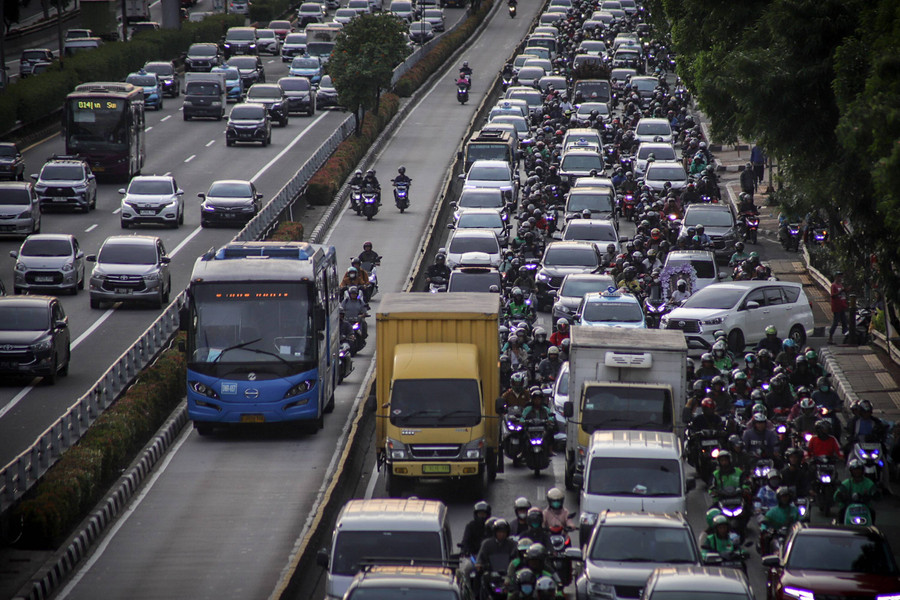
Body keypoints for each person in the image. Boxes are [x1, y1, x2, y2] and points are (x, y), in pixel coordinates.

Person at [834, 459, 881, 523]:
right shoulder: (846, 483)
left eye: (859, 470)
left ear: (862, 471)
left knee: (872, 513)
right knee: (842, 512)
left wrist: (875, 494)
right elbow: (836, 496)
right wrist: (840, 496)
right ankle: (842, 527)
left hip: (865, 507)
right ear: (851, 471)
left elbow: (875, 492)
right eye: (855, 470)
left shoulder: (868, 483)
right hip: (848, 506)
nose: (857, 472)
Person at [760, 487, 800, 553]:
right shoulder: (772, 512)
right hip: (777, 536)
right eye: (783, 496)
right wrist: (764, 530)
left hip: (792, 536)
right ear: (779, 498)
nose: (785, 498)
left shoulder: (795, 510)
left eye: (786, 496)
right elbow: (765, 523)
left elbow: (800, 522)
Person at [828, 271, 849, 344]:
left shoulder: (840, 285)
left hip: (842, 306)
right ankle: (830, 338)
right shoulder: (834, 285)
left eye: (841, 276)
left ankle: (847, 337)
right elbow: (833, 295)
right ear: (836, 277)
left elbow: (843, 294)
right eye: (839, 276)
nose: (840, 278)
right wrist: (841, 291)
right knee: (835, 322)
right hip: (836, 307)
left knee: (844, 322)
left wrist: (846, 290)